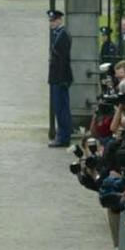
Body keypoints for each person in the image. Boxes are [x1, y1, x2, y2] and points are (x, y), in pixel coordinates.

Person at [47, 8, 73, 149]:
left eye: (53, 20)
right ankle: (62, 135)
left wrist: (62, 79)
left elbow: (63, 60)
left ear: (59, 20)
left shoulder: (63, 35)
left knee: (61, 108)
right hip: (57, 78)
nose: (51, 23)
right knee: (59, 108)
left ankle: (63, 137)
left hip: (60, 78)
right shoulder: (59, 34)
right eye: (50, 21)